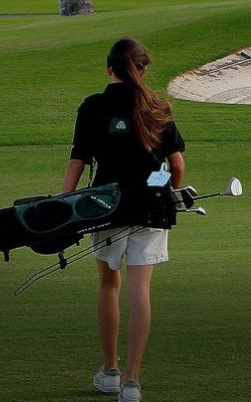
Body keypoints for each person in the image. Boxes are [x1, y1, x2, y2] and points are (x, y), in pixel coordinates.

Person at [62, 38, 186, 402]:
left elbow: (78, 162)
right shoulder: (157, 107)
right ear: (143, 69)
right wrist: (161, 188)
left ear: (108, 68)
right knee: (140, 290)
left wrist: (66, 205)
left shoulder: (92, 107)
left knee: (108, 284)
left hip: (105, 206)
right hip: (151, 208)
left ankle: (111, 371)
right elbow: (176, 167)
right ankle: (132, 382)